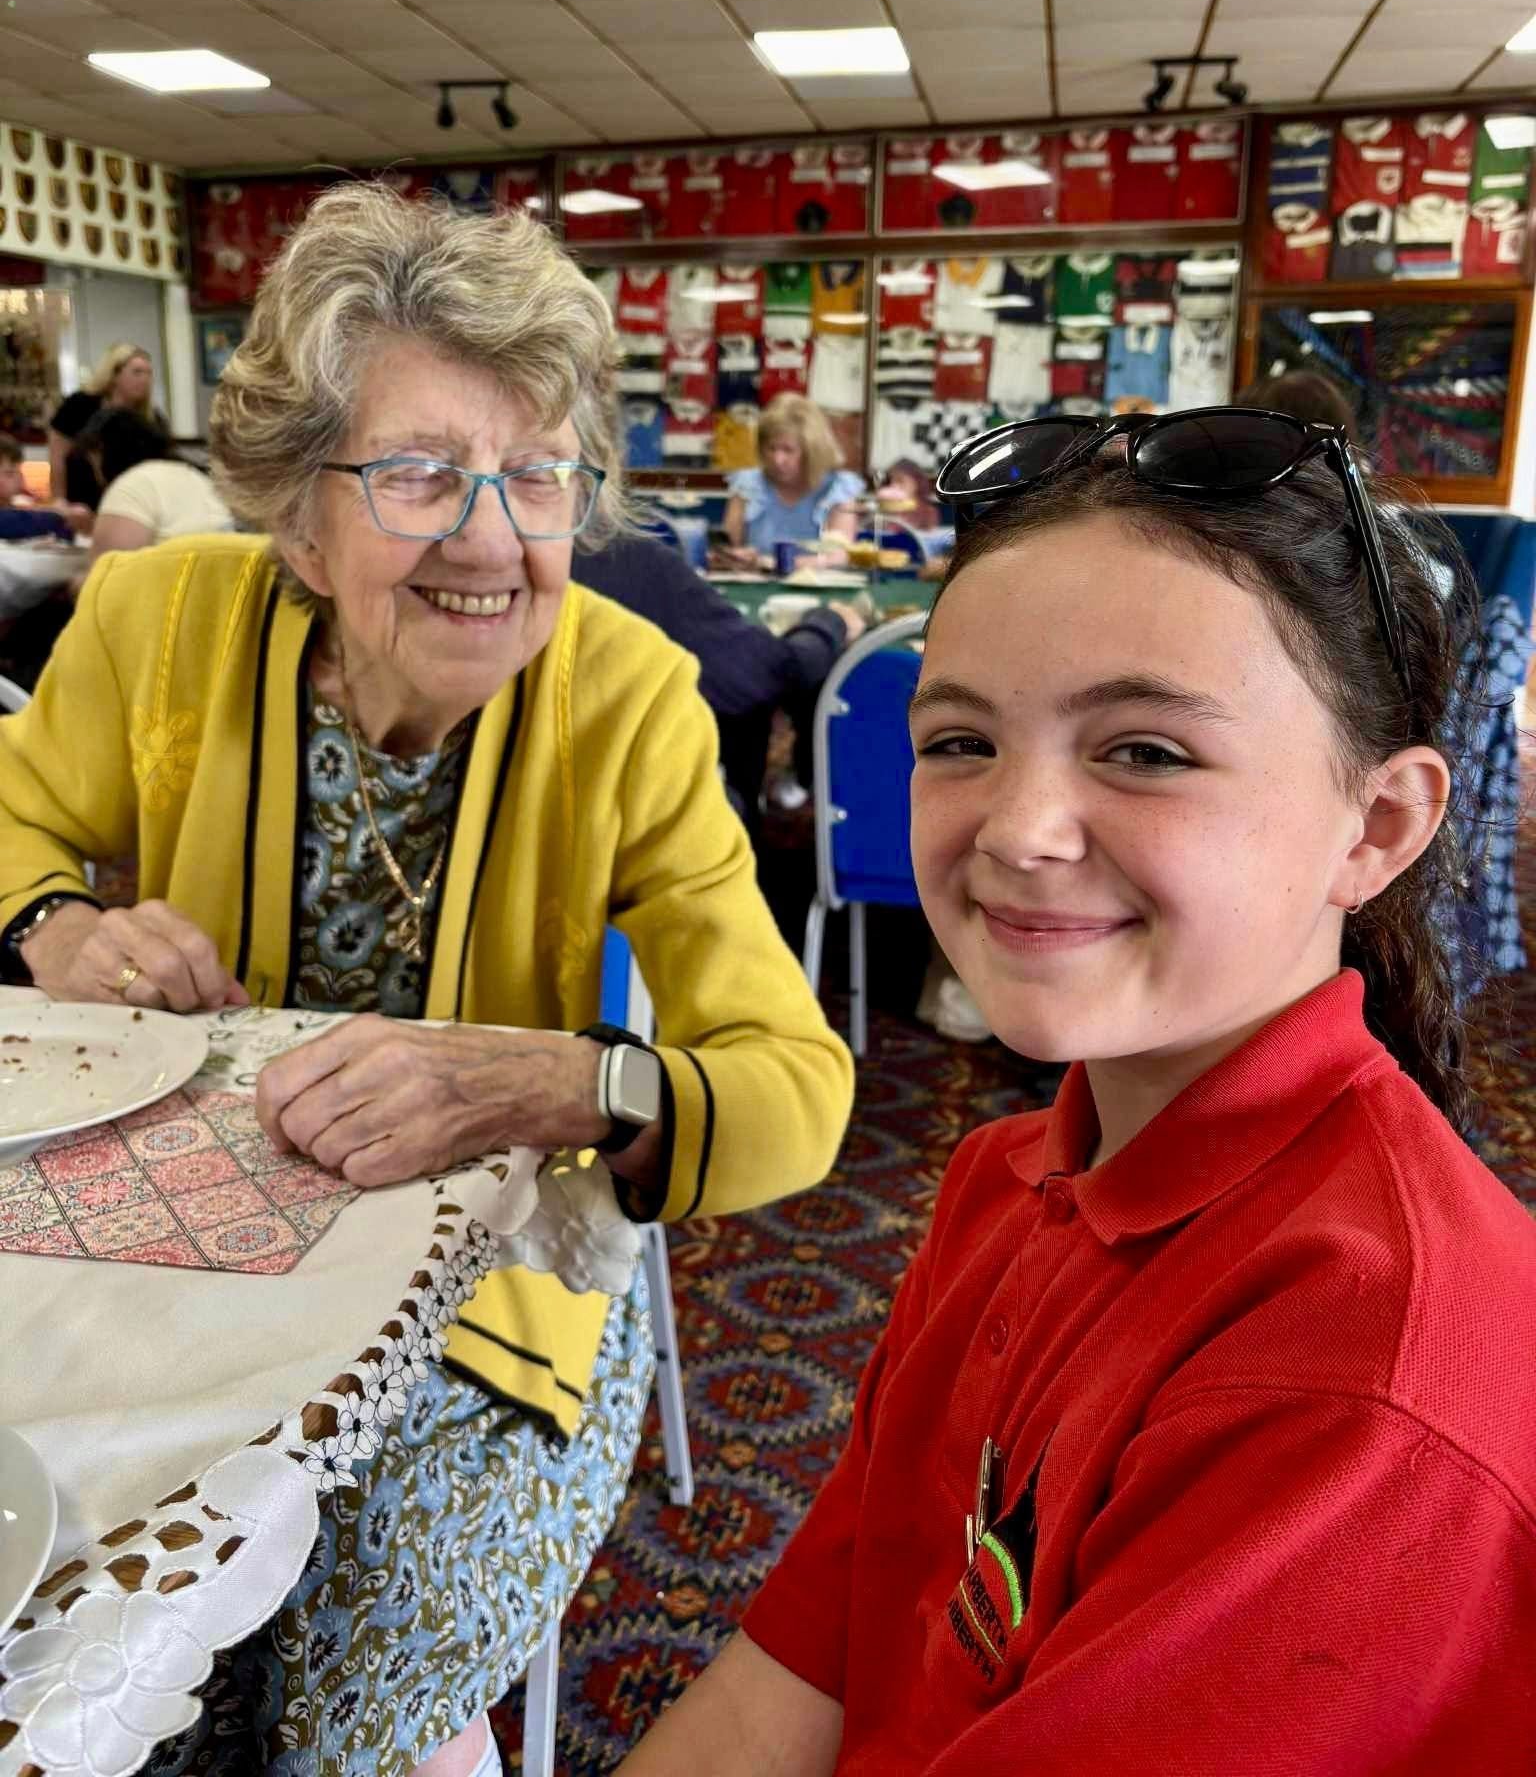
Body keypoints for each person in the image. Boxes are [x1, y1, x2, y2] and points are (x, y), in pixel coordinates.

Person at [0, 182, 853, 1777]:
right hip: (172, 1255)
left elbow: (796, 1086)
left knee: (339, 1692)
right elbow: (13, 822)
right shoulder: (154, 622)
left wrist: (563, 1081)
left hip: (486, 1304)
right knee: (64, 1594)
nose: (490, 538)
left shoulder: (630, 700)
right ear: (296, 516)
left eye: (537, 475)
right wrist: (52, 921)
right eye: (417, 473)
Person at [620, 409, 1536, 1774]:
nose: (1016, 829)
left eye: (1145, 750)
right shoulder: (1004, 1179)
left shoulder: (1362, 1384)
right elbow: (812, 1657)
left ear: (1379, 824)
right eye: (960, 740)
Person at [572, 527, 863, 835]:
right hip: (647, 824)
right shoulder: (625, 558)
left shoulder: (615, 560)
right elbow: (769, 673)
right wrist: (830, 622)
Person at [720, 392, 864, 567]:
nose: (778, 459)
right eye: (771, 448)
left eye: (788, 450)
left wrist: (773, 564)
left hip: (820, 583)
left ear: (811, 451)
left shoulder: (838, 488)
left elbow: (839, 557)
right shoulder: (747, 485)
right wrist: (737, 556)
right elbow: (730, 550)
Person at [81, 407, 233, 571]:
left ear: (100, 450)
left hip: (175, 582)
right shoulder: (193, 475)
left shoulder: (131, 486)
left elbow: (105, 576)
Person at [48, 341, 160, 511]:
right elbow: (57, 454)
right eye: (137, 372)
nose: (144, 380)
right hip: (81, 500)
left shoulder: (150, 418)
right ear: (114, 375)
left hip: (130, 503)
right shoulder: (80, 405)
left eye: (148, 373)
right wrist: (59, 499)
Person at [0, 434, 76, 541]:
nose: (20, 478)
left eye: (19, 471)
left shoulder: (22, 503)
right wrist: (59, 515)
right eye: (10, 473)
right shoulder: (11, 520)